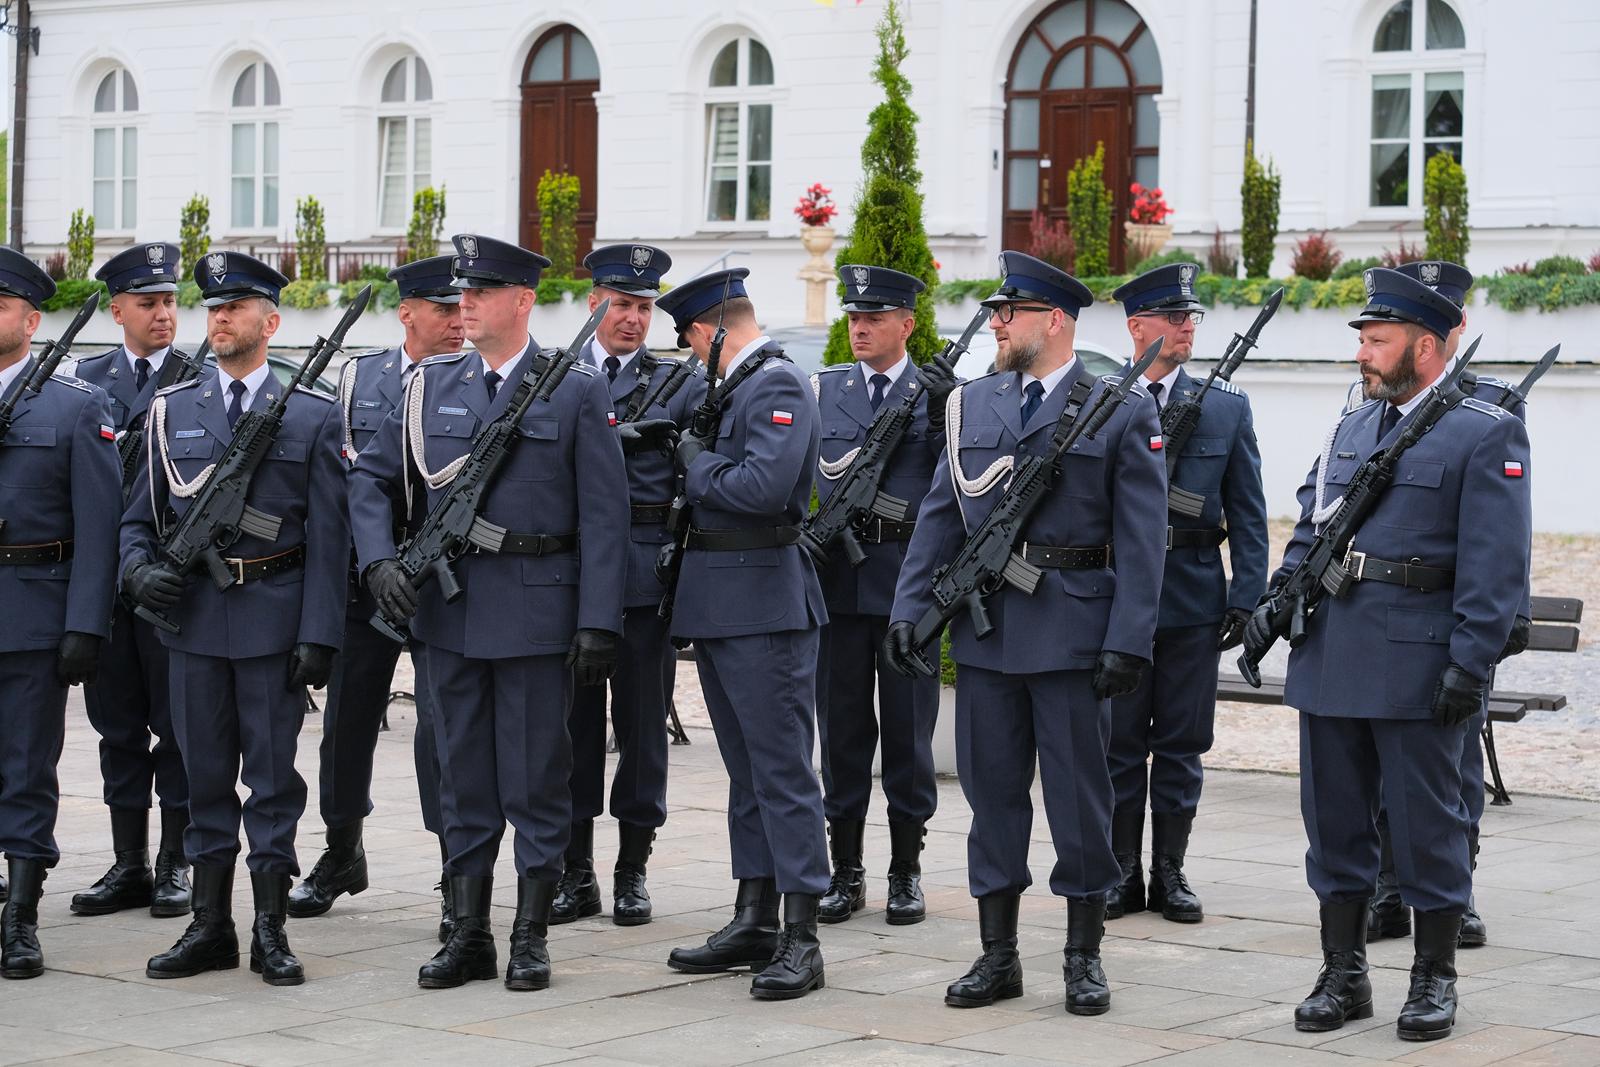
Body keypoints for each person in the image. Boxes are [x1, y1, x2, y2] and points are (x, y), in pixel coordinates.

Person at [1244, 268, 1531, 1041]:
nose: (1363, 354)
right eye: (1363, 340)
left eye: (1378, 340)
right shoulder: (1350, 427)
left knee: (1427, 825)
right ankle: (1343, 974)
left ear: (1425, 347)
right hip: (1332, 654)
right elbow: (1312, 527)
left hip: (1417, 662)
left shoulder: (1483, 430)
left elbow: (1496, 564)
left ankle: (1435, 976)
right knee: (1333, 824)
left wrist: (1470, 662)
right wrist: (1274, 605)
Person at [884, 251, 1167, 1016]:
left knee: (1080, 801)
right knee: (993, 798)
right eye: (997, 312)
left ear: (1056, 320)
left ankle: (1082, 954)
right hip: (987, 635)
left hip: (1074, 634)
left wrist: (1129, 639)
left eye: (1011, 312)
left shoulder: (1118, 408)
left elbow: (1144, 542)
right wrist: (908, 611)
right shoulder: (971, 404)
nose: (998, 324)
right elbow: (939, 517)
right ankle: (997, 954)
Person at [348, 234, 628, 992]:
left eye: (480, 293)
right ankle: (468, 931)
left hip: (537, 615)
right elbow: (370, 480)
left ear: (523, 301)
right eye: (461, 294)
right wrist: (378, 561)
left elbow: (606, 515)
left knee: (536, 780)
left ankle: (530, 934)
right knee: (461, 779)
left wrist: (598, 620)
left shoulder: (573, 389)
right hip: (449, 616)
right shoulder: (429, 386)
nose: (464, 305)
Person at [121, 252, 348, 987]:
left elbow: (331, 539)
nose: (219, 318)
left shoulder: (311, 414)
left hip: (273, 622)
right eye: (213, 308)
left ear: (269, 322)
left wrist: (319, 634)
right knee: (203, 775)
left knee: (274, 782)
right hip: (192, 624)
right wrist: (137, 571)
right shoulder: (171, 409)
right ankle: (210, 925)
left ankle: (269, 926)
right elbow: (138, 519)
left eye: (235, 308)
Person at [655, 268, 832, 1000]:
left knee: (782, 773)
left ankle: (802, 934)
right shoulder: (734, 389)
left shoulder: (776, 384)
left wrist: (697, 466)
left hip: (763, 602)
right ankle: (755, 915)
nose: (692, 354)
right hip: (723, 602)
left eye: (690, 341)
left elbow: (763, 490)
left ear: (709, 332)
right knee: (746, 772)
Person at [288, 256, 463, 936]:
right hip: (367, 580)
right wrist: (370, 565)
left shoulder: (474, 379)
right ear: (407, 313)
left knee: (441, 729)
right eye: (443, 309)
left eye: (463, 308)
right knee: (345, 723)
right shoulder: (360, 377)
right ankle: (341, 850)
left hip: (443, 580)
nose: (457, 320)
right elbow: (343, 485)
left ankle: (456, 870)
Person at [1362, 259, 1526, 952]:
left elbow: (1503, 528)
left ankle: (1455, 893)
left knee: (1454, 769)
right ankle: (1389, 885)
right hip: (1383, 621)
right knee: (1382, 764)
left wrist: (1501, 621)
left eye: (1449, 314)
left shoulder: (1489, 405)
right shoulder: (1374, 399)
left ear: (1453, 326)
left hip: (1453, 616)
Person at [1104, 263, 1268, 924]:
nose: (1186, 327)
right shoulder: (1105, 401)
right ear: (1136, 325)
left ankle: (1169, 870)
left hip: (1194, 598)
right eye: (1173, 317)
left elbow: (1249, 513)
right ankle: (1121, 871)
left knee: (1181, 742)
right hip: (1119, 600)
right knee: (1117, 744)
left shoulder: (1226, 408)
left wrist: (1246, 597)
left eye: (1191, 317)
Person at [556, 242, 701, 927]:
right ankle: (575, 869)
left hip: (645, 576)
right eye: (621, 305)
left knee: (642, 727)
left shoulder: (680, 383)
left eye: (645, 308)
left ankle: (632, 869)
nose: (634, 319)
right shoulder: (558, 378)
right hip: (574, 572)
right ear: (594, 304)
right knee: (572, 727)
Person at [810, 264, 955, 926]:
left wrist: (947, 413)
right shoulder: (825, 390)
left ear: (907, 325)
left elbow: (960, 488)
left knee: (908, 736)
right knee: (841, 734)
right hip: (838, 587)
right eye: (854, 317)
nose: (860, 327)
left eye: (874, 318)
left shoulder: (939, 397)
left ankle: (905, 870)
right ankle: (845, 870)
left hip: (907, 588)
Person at [0, 249, 121, 979]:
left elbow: (100, 527)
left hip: (32, 612)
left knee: (24, 766)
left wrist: (85, 624)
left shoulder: (75, 406)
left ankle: (20, 915)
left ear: (31, 321)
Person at [69, 243, 195, 920]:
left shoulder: (198, 379)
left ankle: (175, 861)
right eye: (148, 303)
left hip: (169, 585)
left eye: (170, 301)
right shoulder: (85, 381)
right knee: (116, 727)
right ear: (118, 310)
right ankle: (129, 863)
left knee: (176, 730)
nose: (163, 314)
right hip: (108, 589)